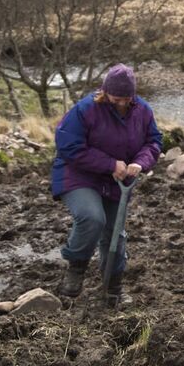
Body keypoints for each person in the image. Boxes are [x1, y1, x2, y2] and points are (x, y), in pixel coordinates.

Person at [51, 64, 162, 306]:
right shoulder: (86, 110)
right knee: (92, 218)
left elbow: (153, 142)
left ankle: (113, 289)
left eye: (126, 98)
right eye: (116, 98)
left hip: (118, 181)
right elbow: (68, 146)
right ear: (105, 92)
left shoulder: (142, 110)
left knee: (115, 234)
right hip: (79, 175)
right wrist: (110, 164)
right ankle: (76, 267)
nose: (121, 103)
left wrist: (140, 163)